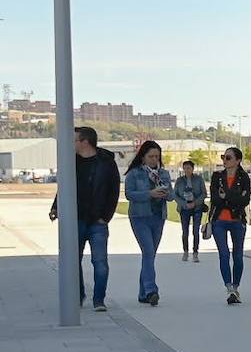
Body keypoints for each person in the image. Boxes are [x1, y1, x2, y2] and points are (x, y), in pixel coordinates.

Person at [48, 126, 119, 311]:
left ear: (85, 141)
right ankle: (78, 295)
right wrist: (56, 207)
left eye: (74, 140)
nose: (72, 144)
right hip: (75, 219)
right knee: (72, 259)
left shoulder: (106, 162)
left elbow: (114, 191)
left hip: (98, 221)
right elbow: (63, 186)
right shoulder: (71, 162)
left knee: (100, 262)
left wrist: (106, 217)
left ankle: (99, 300)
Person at [123, 140, 172, 306]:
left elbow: (171, 196)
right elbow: (129, 194)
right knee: (148, 251)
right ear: (143, 157)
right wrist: (149, 193)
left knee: (150, 255)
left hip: (158, 216)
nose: (154, 160)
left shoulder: (163, 174)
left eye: (157, 156)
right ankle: (152, 290)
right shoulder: (134, 174)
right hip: (140, 217)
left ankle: (143, 293)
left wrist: (164, 193)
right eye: (150, 156)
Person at [208, 147, 251, 305]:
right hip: (219, 220)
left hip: (237, 220)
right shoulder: (217, 177)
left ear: (238, 160)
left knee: (238, 255)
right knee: (224, 254)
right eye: (223, 157)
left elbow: (245, 201)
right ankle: (229, 288)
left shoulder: (244, 177)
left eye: (228, 157)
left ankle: (236, 286)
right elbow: (215, 199)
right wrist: (233, 198)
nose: (224, 160)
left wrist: (226, 196)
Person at [174, 160, 207, 263]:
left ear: (193, 169)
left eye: (189, 168)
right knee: (185, 231)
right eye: (185, 168)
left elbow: (204, 193)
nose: (187, 170)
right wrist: (184, 204)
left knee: (195, 230)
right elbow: (175, 195)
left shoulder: (198, 179)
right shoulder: (179, 181)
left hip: (196, 207)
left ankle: (195, 252)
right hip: (184, 208)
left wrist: (195, 203)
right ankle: (185, 251)